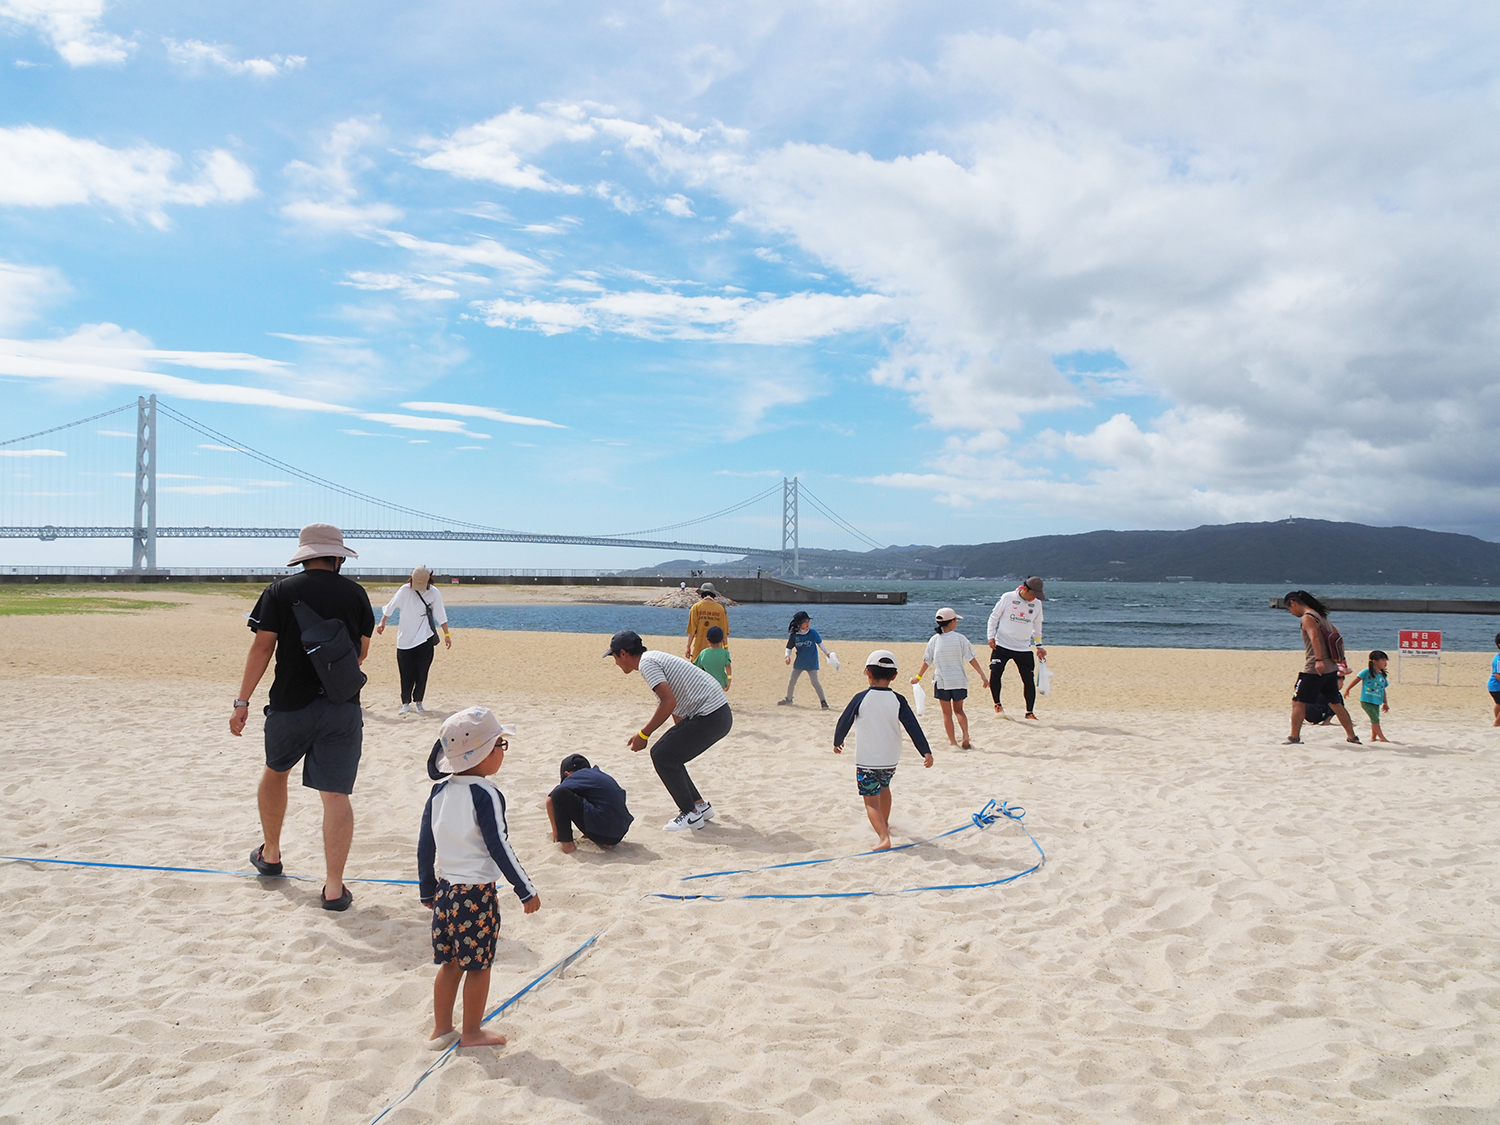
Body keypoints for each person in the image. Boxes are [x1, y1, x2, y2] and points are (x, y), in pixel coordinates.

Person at [232, 523, 374, 911]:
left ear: (304, 556)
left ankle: (272, 854)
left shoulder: (280, 591)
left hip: (289, 705)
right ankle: (332, 888)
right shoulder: (356, 595)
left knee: (276, 772)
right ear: (338, 557)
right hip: (342, 706)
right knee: (335, 796)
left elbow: (262, 647)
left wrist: (241, 701)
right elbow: (360, 654)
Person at [418, 707, 541, 1049]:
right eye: (501, 743)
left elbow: (424, 845)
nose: (503, 750)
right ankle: (471, 1031)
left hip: (445, 892)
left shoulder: (439, 793)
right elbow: (499, 845)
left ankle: (441, 1028)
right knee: (478, 965)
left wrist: (427, 888)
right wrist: (525, 888)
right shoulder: (486, 793)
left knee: (450, 964)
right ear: (484, 752)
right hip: (476, 895)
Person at [606, 628, 732, 832]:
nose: (615, 662)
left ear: (623, 653)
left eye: (614, 656)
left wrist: (643, 734)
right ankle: (700, 806)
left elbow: (668, 702)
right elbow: (676, 706)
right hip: (718, 714)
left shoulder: (647, 663)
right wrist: (679, 737)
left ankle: (690, 814)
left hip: (712, 715)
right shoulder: (652, 658)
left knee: (661, 754)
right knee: (670, 754)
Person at [833, 650, 933, 850]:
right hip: (890, 758)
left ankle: (883, 837)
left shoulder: (861, 698)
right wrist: (925, 751)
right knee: (884, 787)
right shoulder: (898, 699)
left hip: (868, 759)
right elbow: (913, 726)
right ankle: (884, 824)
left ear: (868, 673)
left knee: (870, 801)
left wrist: (838, 740)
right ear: (894, 676)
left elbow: (844, 720)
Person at [1283, 590, 1360, 745]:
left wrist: (1318, 659)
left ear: (1293, 603)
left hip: (1314, 668)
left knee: (1298, 701)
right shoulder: (1321, 616)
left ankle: (1294, 737)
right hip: (1331, 667)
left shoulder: (1308, 617)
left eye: (1289, 609)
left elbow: (1314, 637)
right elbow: (1337, 636)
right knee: (1335, 703)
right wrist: (1341, 659)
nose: (1291, 613)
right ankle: (1352, 736)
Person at [376, 565, 451, 715]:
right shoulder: (405, 590)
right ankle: (405, 703)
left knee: (422, 672)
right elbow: (391, 606)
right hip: (405, 639)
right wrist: (382, 622)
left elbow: (440, 614)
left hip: (426, 638)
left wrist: (447, 635)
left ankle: (419, 702)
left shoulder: (434, 593)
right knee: (406, 673)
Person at [910, 607, 989, 749]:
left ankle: (953, 742)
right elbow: (971, 659)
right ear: (952, 622)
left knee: (947, 713)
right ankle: (965, 735)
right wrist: (982, 675)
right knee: (959, 710)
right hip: (959, 681)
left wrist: (917, 677)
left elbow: (927, 661)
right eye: (956, 620)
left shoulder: (934, 640)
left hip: (942, 682)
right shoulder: (960, 638)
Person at [986, 577, 1048, 719]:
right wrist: (991, 637)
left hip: (1024, 647)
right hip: (1002, 644)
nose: (1034, 598)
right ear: (1025, 589)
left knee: (1028, 680)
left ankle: (1029, 712)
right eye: (1033, 594)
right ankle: (997, 704)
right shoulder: (1008, 597)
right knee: (995, 673)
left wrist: (1039, 646)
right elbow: (994, 617)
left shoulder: (1037, 604)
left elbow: (1037, 626)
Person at [546, 753, 634, 853]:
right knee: (590, 797)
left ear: (567, 774)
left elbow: (550, 800)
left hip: (603, 831)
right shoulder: (598, 775)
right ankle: (599, 838)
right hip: (618, 834)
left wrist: (556, 833)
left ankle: (567, 846)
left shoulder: (575, 776)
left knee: (559, 794)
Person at [780, 610, 832, 709]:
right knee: (792, 681)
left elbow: (820, 644)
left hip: (811, 662)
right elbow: (789, 647)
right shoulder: (795, 635)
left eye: (808, 621)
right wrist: (787, 656)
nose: (807, 624)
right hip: (799, 662)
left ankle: (823, 701)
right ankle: (789, 699)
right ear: (799, 624)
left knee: (815, 682)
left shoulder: (813, 633)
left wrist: (827, 653)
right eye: (805, 622)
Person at [1343, 650, 1392, 743]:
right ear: (1374, 661)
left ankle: (1374, 737)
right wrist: (1348, 689)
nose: (1385, 663)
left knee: (1375, 718)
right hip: (1366, 700)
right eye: (1382, 660)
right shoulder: (1367, 672)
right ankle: (1382, 738)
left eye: (1385, 660)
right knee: (1375, 718)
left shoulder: (1382, 676)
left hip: (1377, 701)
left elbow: (1383, 689)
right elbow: (1357, 679)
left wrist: (1385, 702)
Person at [685, 582, 729, 661]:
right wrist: (726, 648)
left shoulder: (696, 607)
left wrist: (688, 647)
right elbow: (724, 632)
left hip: (699, 648)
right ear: (713, 595)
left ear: (702, 594)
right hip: (716, 650)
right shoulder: (721, 609)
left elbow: (692, 631)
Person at [693, 624, 732, 690]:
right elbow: (728, 667)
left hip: (707, 683)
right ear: (722, 640)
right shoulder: (725, 653)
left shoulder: (704, 653)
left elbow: (696, 667)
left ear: (707, 640)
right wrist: (729, 679)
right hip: (721, 683)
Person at [1488, 633, 1500, 727]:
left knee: (1498, 703)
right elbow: (1497, 674)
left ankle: (1497, 720)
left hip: (1494, 686)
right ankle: (1497, 723)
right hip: (1496, 685)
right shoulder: (1498, 660)